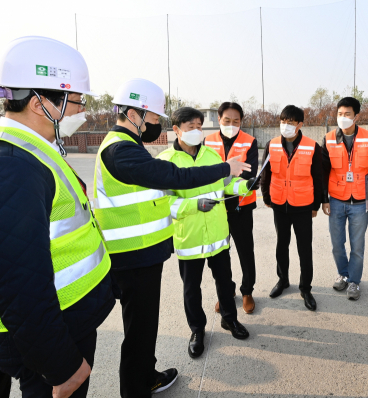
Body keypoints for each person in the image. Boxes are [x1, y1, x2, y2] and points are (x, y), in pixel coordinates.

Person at [92, 79, 250, 397]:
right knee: (139, 330)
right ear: (137, 114)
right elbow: (173, 179)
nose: (156, 125)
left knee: (144, 327)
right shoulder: (120, 149)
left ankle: (145, 375)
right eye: (155, 119)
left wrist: (239, 184)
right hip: (132, 256)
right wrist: (224, 169)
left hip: (144, 254)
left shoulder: (128, 147)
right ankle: (136, 389)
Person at [0, 36, 114, 398]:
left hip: (62, 323)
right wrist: (62, 367)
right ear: (42, 104)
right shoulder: (13, 168)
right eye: (76, 101)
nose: (82, 111)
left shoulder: (34, 153)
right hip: (46, 345)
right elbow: (17, 284)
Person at [157, 107, 254, 359]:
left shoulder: (212, 157)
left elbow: (227, 184)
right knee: (192, 288)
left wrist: (245, 185)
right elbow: (164, 204)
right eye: (191, 127)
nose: (198, 131)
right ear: (176, 130)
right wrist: (194, 205)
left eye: (200, 126)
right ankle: (197, 330)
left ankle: (229, 320)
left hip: (218, 235)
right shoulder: (166, 162)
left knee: (225, 282)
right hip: (189, 238)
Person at [321, 97, 368, 300]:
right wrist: (324, 199)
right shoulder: (329, 138)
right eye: (340, 114)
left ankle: (355, 282)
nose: (343, 118)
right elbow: (322, 172)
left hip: (359, 201)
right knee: (337, 244)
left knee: (357, 246)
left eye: (347, 114)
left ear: (356, 116)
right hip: (336, 200)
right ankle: (343, 274)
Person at [261, 105, 323, 311]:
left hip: (303, 206)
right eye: (283, 121)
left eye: (290, 122)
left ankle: (305, 288)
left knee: (304, 249)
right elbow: (265, 173)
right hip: (279, 204)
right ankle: (283, 280)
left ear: (300, 125)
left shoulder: (312, 146)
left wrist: (316, 205)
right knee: (282, 245)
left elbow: (318, 178)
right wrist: (266, 196)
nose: (285, 125)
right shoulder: (271, 145)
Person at [202, 102, 259, 314]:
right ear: (219, 119)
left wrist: (225, 181)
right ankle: (227, 292)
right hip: (217, 207)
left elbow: (248, 173)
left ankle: (247, 291)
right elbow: (204, 172)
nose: (231, 124)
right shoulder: (207, 141)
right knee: (220, 254)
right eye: (227, 120)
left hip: (241, 206)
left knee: (245, 251)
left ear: (241, 122)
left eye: (236, 121)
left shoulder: (249, 141)